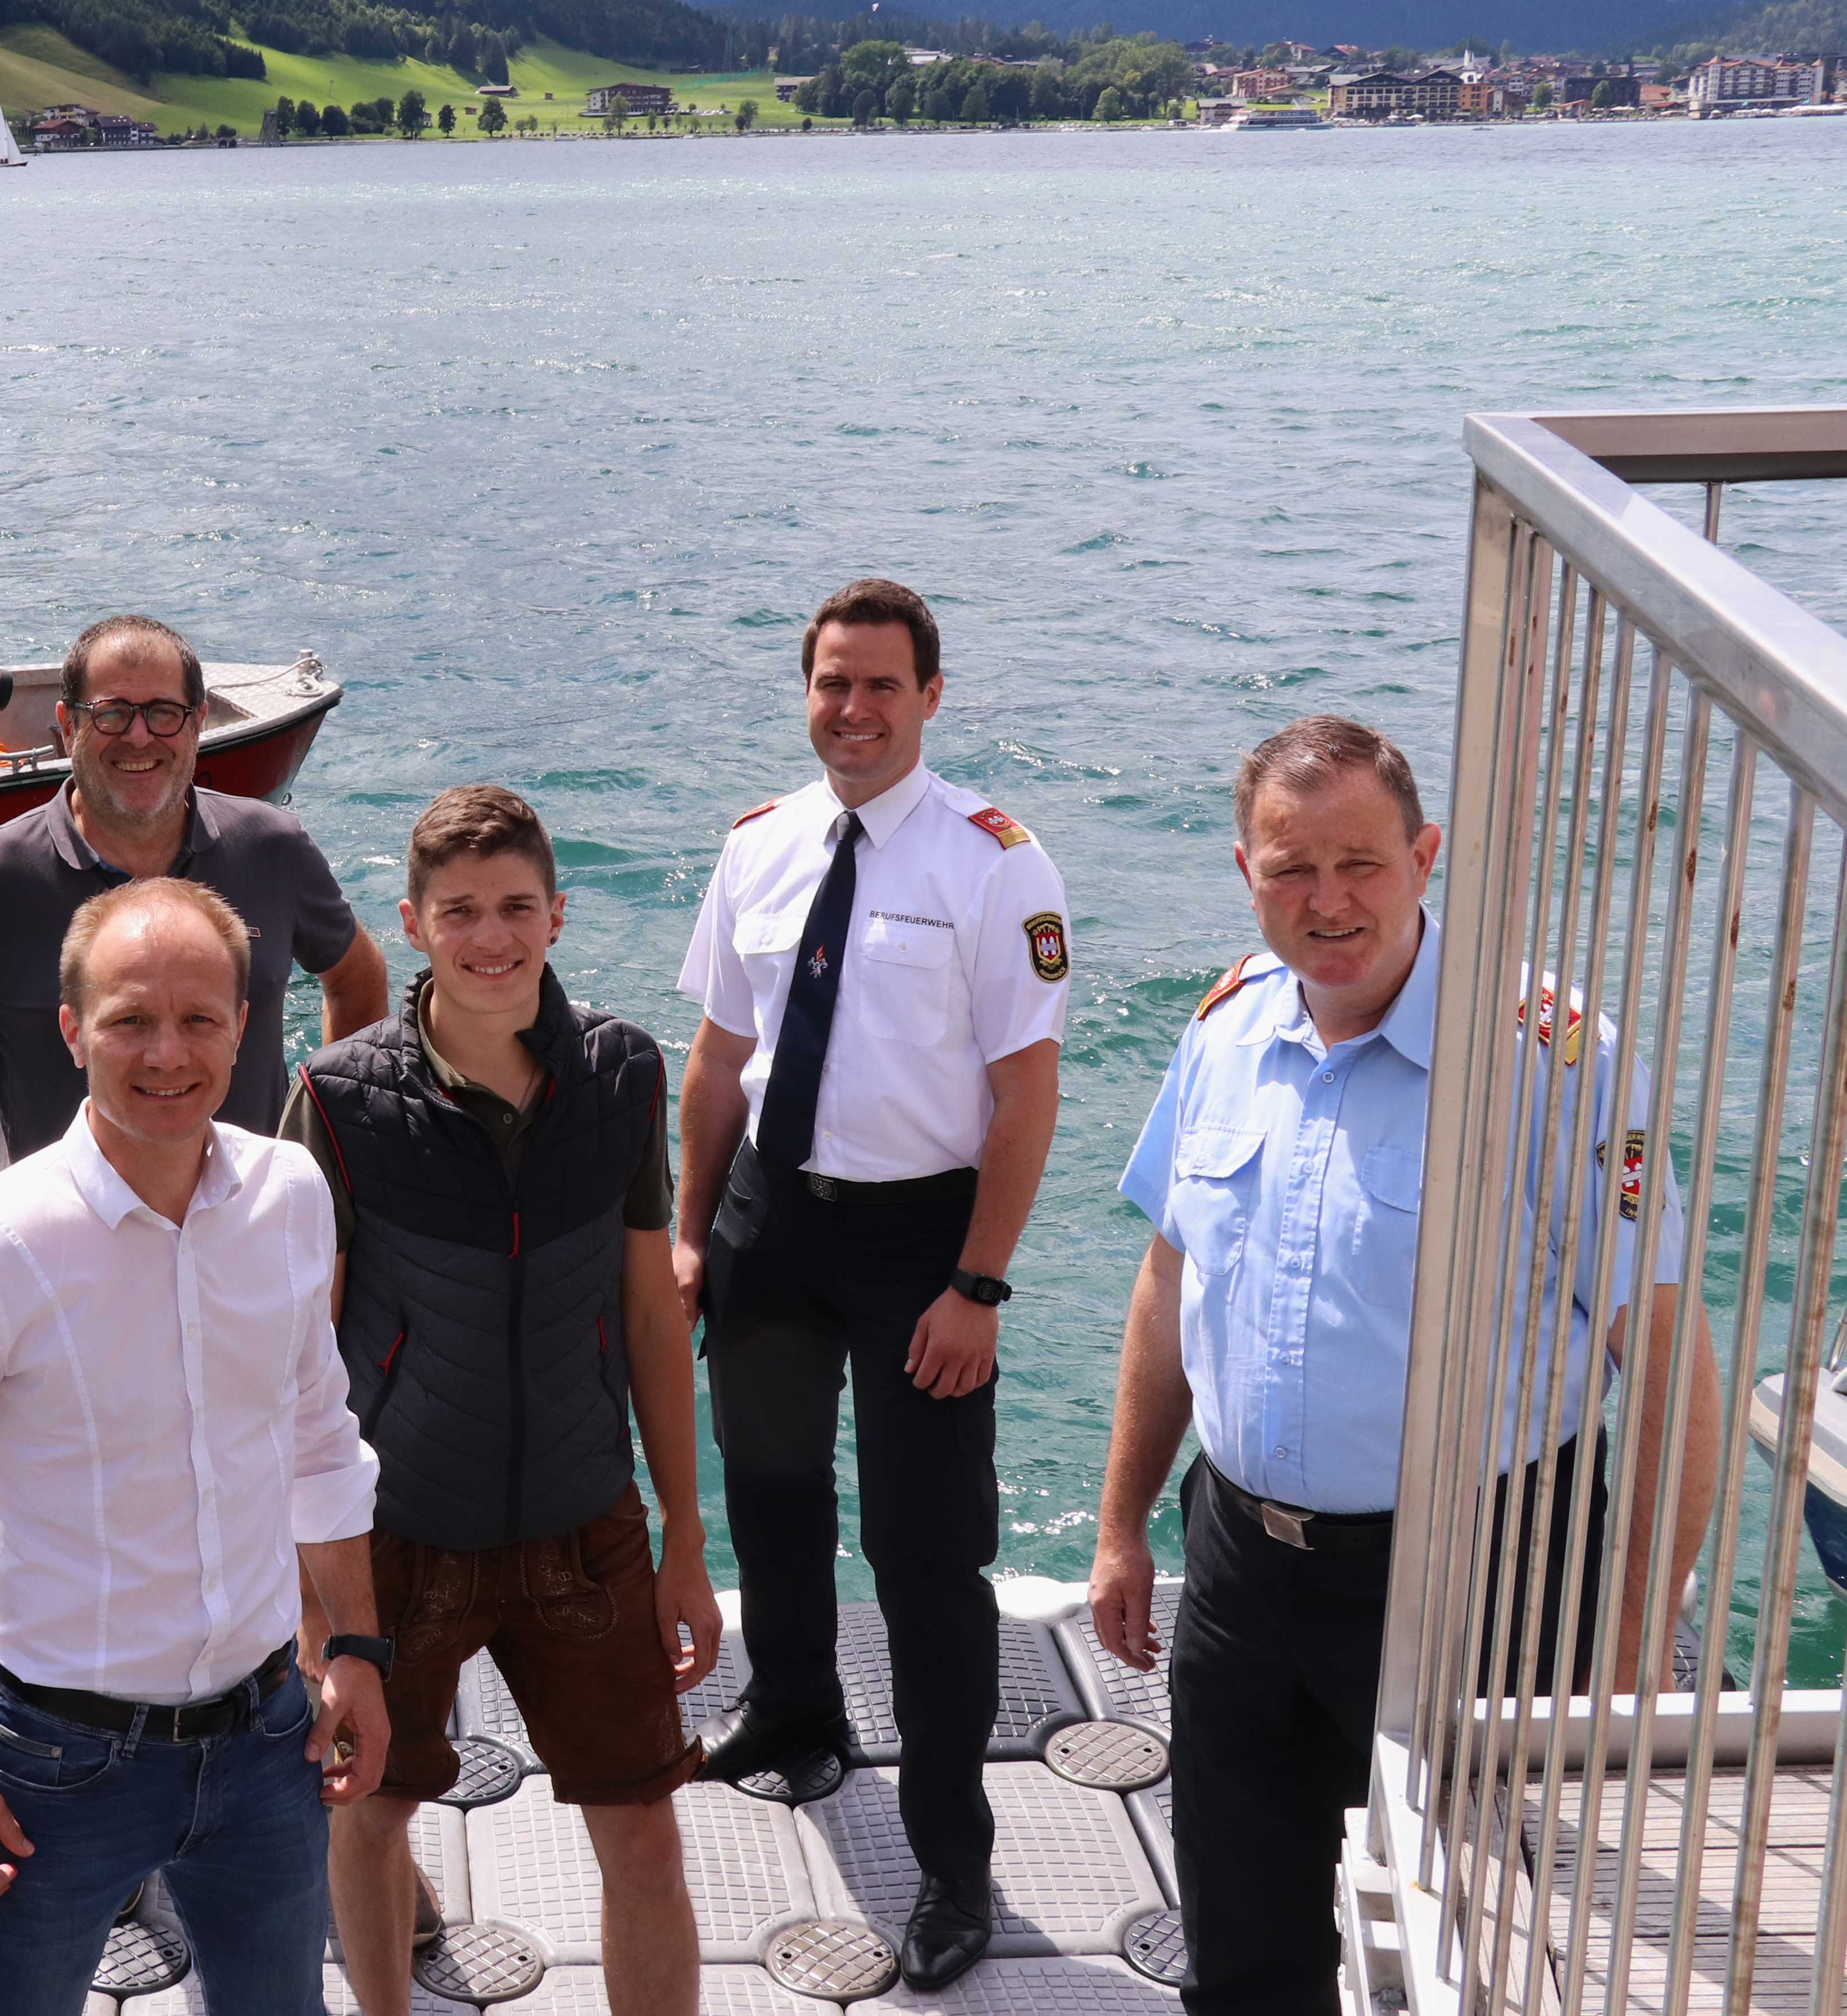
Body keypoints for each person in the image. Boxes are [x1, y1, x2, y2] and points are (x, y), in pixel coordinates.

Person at [1088, 715, 1721, 2016]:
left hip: (1475, 1574)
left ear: (1424, 856)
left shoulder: (1552, 1061)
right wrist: (1119, 1525)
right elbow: (1167, 1285)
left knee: (1469, 1948)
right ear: (1244, 872)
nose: (1326, 901)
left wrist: (1627, 1637)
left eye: (1359, 863)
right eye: (1289, 868)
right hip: (1239, 1565)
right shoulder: (1224, 1028)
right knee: (1237, 1935)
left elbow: (1666, 1362)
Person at [0, 877, 392, 2016]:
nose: (166, 1052)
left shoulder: (290, 1193)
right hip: (58, 1769)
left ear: (243, 1027)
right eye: (131, 1020)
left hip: (269, 1734)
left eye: (198, 1018)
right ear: (71, 1030)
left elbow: (319, 1436)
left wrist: (358, 1647)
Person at [670, 577, 1068, 1993]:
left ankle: (951, 1861)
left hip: (920, 1245)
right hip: (770, 1220)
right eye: (831, 682)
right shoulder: (759, 845)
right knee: (770, 1495)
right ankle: (794, 1711)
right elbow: (717, 1059)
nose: (852, 708)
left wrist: (977, 1285)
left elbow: (1024, 1096)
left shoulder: (994, 863)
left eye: (880, 684)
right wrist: (689, 1232)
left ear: (928, 697)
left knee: (924, 1556)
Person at [284, 785, 724, 2016]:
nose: (492, 937)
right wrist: (312, 1600)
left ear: (557, 915)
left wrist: (683, 1539)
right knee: (371, 1816)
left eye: (517, 908)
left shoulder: (622, 1073)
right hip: (396, 1538)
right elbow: (298, 1363)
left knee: (645, 1837)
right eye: (461, 911)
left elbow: (651, 1317)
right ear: (413, 924)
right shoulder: (337, 1100)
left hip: (585, 1527)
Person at [0, 613, 392, 1219]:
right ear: (67, 726)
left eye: (163, 713)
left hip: (250, 1235)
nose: (139, 737)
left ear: (198, 724)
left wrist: (327, 1164)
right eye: (110, 714)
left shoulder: (273, 848)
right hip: (62, 1252)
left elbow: (356, 978)